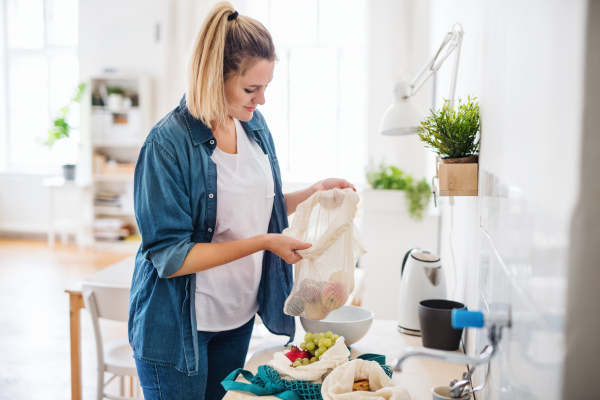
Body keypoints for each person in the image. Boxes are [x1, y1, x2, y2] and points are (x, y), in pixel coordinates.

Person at [128, 2, 356, 399]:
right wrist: (266, 242)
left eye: (266, 87)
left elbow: (256, 207)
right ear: (215, 77)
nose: (261, 100)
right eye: (252, 89)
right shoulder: (166, 145)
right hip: (178, 331)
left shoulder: (252, 125)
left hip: (236, 319)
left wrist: (312, 193)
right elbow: (171, 256)